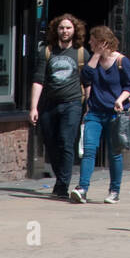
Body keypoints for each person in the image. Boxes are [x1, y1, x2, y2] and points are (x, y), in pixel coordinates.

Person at [69, 27, 130, 204]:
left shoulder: (122, 61)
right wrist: (96, 56)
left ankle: (114, 190)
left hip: (115, 114)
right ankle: (82, 188)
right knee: (89, 151)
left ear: (102, 42)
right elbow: (85, 77)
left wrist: (120, 100)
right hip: (95, 113)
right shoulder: (94, 61)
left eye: (92, 40)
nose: (89, 43)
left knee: (114, 153)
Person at [29, 13, 86, 200]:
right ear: (56, 30)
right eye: (62, 28)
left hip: (72, 104)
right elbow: (38, 80)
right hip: (49, 104)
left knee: (65, 141)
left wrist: (89, 106)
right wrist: (33, 107)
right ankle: (60, 179)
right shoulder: (47, 51)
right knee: (51, 144)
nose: (65, 31)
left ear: (74, 30)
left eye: (68, 28)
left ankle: (62, 185)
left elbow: (88, 82)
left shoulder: (81, 53)